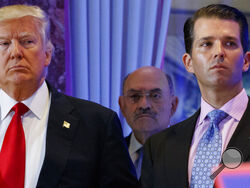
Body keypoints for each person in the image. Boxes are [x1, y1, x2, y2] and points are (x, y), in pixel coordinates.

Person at [0, 4, 138, 188]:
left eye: (27, 41)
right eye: (4, 43)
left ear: (48, 54)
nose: (15, 52)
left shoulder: (97, 124)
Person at [141, 4, 250, 188]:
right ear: (188, 62)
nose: (218, 52)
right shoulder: (159, 147)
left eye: (229, 43)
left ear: (246, 61)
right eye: (206, 44)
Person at [119, 66, 178, 179]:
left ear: (173, 105)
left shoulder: (191, 155)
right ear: (122, 106)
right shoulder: (108, 156)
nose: (144, 105)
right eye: (135, 96)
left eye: (155, 96)